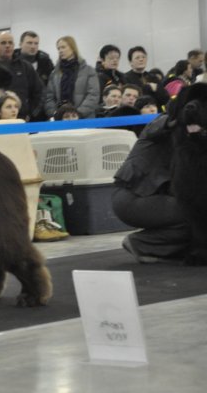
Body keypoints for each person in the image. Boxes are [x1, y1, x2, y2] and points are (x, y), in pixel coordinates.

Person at [113, 114, 189, 263]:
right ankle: (143, 243)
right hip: (133, 197)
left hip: (148, 197)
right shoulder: (164, 124)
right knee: (196, 214)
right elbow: (157, 127)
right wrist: (179, 119)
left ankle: (158, 247)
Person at [0, 31, 45, 120]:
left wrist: (31, 113)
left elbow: (39, 92)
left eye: (10, 43)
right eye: (3, 43)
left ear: (14, 45)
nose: (7, 45)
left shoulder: (25, 67)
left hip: (21, 119)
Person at [43, 36, 100, 119]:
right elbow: (49, 97)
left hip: (84, 119)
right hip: (61, 120)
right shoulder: (55, 73)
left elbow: (93, 95)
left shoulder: (88, 71)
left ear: (73, 48)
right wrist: (54, 113)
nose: (60, 51)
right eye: (58, 48)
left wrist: (78, 114)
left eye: (63, 47)